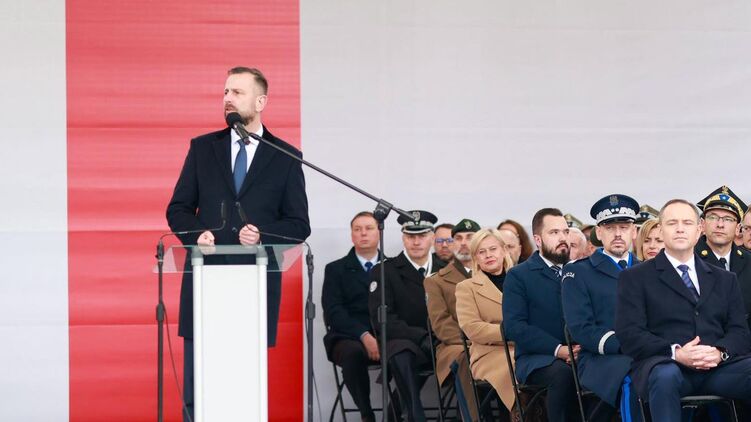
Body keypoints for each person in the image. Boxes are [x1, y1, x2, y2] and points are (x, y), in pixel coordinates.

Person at [166, 66, 310, 420]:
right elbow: (178, 209)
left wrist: (262, 235)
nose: (227, 99)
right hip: (206, 281)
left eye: (237, 93)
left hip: (254, 288)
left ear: (261, 102)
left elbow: (299, 224)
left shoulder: (285, 156)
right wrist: (196, 234)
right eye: (226, 92)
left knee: (243, 390)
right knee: (201, 389)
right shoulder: (203, 149)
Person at [616, 199, 751, 422]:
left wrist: (719, 352)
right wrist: (676, 353)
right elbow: (630, 334)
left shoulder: (725, 279)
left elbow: (740, 331)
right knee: (665, 377)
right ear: (661, 230)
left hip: (717, 368)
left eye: (687, 223)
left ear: (699, 230)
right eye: (672, 223)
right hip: (667, 365)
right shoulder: (635, 277)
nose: (680, 229)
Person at [562, 194, 640, 421]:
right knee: (634, 375)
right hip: (601, 358)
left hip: (645, 352)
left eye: (624, 227)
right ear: (598, 232)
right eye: (610, 228)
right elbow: (580, 327)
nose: (617, 234)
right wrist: (627, 344)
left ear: (634, 232)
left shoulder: (649, 269)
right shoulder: (579, 272)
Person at [368, 210, 446, 422]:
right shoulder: (385, 270)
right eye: (411, 236)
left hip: (441, 339)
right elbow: (383, 319)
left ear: (432, 237)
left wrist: (438, 336)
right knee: (402, 351)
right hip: (405, 339)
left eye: (422, 235)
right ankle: (415, 415)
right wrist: (421, 336)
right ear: (403, 238)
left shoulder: (446, 269)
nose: (416, 242)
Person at [503, 208, 579, 422]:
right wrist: (558, 350)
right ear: (538, 239)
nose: (562, 238)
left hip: (581, 352)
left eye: (565, 232)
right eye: (554, 233)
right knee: (563, 374)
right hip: (538, 358)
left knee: (611, 372)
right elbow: (514, 327)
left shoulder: (580, 271)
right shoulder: (519, 276)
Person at [322, 211, 381, 422]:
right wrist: (364, 335)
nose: (363, 233)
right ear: (351, 235)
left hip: (387, 333)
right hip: (348, 336)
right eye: (357, 229)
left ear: (379, 232)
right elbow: (333, 311)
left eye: (369, 228)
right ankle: (367, 414)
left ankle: (398, 412)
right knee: (352, 353)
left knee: (407, 352)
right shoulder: (335, 269)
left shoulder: (393, 267)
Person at [455, 228, 517, 413]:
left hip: (526, 346)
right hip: (489, 353)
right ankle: (520, 413)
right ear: (475, 257)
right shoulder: (466, 287)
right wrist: (512, 332)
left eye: (493, 249)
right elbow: (472, 328)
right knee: (518, 365)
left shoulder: (522, 280)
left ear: (504, 250)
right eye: (481, 252)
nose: (488, 255)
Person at [424, 218, 480, 420]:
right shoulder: (436, 280)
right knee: (465, 356)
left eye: (469, 237)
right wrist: (476, 340)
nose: (463, 243)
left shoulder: (494, 273)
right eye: (458, 238)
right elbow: (441, 323)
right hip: (456, 345)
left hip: (494, 341)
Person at [694, 186, 751, 328]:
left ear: (738, 228)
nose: (720, 225)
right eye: (713, 217)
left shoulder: (748, 261)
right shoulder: (687, 259)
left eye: (728, 219)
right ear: (702, 224)